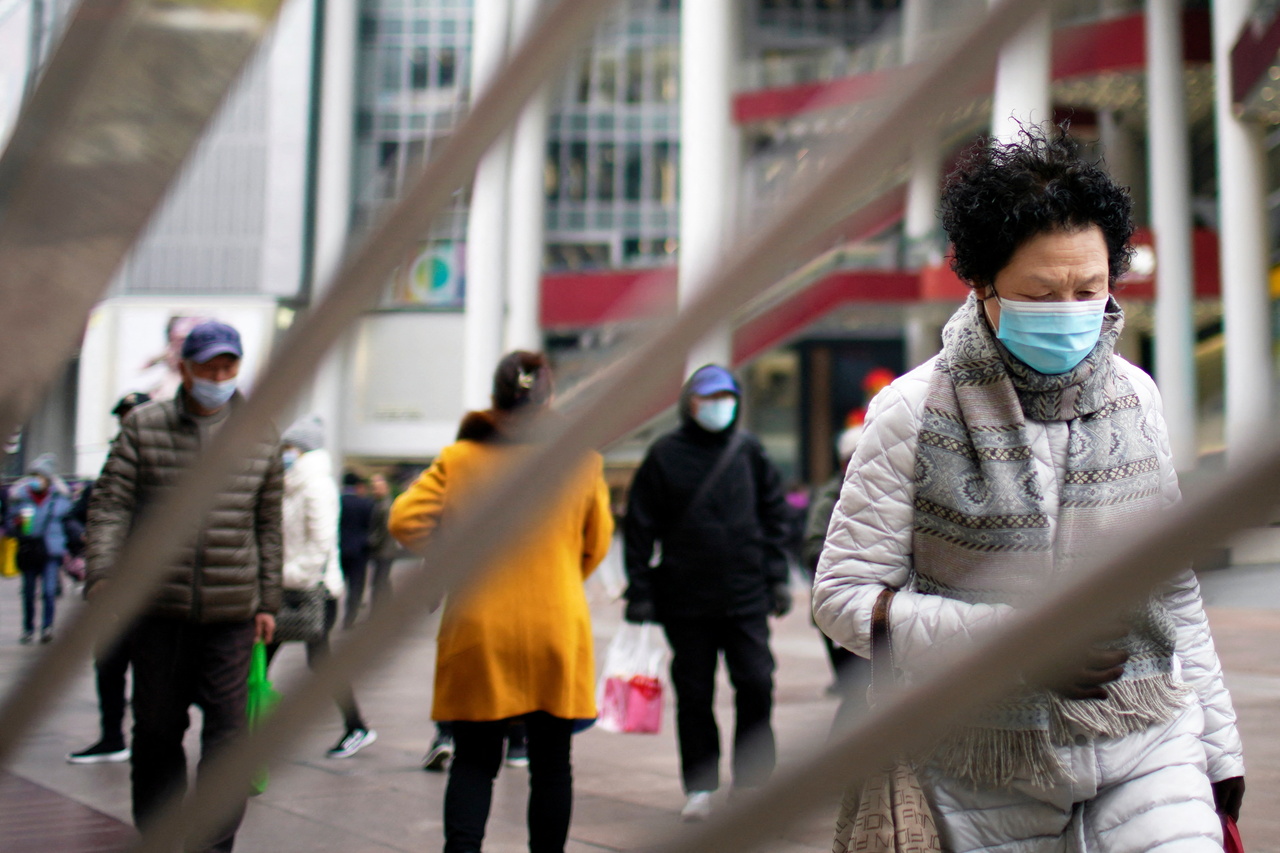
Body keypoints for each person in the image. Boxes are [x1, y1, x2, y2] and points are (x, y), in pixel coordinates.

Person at [813, 128, 1245, 851]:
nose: (1073, 310)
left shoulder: (1137, 398)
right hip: (979, 763)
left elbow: (1171, 591)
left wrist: (1222, 754)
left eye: (1091, 289)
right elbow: (843, 599)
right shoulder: (912, 412)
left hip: (1146, 739)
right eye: (1041, 293)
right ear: (983, 285)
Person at [389, 350, 613, 853]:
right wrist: (557, 573)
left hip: (478, 624)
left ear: (495, 398)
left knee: (473, 760)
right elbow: (596, 542)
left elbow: (405, 519)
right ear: (549, 396)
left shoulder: (461, 458)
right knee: (552, 764)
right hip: (556, 625)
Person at [86, 319, 282, 853]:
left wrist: (268, 600)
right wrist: (103, 573)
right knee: (155, 735)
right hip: (158, 611)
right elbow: (111, 506)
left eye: (229, 366)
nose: (219, 376)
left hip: (231, 615)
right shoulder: (144, 428)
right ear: (184, 368)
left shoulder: (260, 432)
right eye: (208, 366)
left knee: (227, 739)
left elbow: (268, 523)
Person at [622, 364, 794, 822]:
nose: (718, 407)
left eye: (725, 397)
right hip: (686, 599)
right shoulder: (664, 455)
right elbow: (639, 526)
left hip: (746, 596)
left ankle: (753, 782)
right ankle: (700, 786)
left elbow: (775, 516)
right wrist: (639, 589)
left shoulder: (748, 451)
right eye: (708, 398)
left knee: (756, 684)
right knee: (694, 694)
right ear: (689, 403)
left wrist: (777, 577)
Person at [269, 414, 376, 758]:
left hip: (311, 590)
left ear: (302, 450)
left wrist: (291, 575)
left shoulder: (314, 485)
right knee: (261, 658)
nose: (284, 453)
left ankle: (357, 727)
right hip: (290, 585)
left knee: (315, 662)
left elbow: (320, 542)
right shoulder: (292, 482)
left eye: (289, 448)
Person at [66, 391, 151, 764]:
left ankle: (152, 741)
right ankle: (112, 737)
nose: (128, 424)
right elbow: (85, 510)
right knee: (110, 662)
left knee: (158, 671)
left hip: (156, 585)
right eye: (124, 418)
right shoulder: (116, 459)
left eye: (135, 416)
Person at [801, 422, 866, 701]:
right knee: (856, 693)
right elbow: (812, 546)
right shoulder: (832, 498)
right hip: (840, 604)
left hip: (874, 605)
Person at [7, 453, 73, 644]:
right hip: (29, 549)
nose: (37, 480)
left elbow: (68, 520)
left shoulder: (59, 498)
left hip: (51, 550)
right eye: (34, 476)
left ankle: (47, 627)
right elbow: (10, 524)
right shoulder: (21, 498)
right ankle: (28, 628)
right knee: (28, 592)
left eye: (41, 476)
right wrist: (16, 523)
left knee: (49, 591)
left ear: (49, 479)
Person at [338, 471, 375, 629]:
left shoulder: (337, 502)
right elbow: (370, 527)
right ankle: (349, 619)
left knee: (338, 584)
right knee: (356, 586)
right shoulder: (365, 503)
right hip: (359, 551)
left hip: (339, 549)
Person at [365, 472, 400, 614]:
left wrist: (371, 542)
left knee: (379, 582)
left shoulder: (384, 506)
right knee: (383, 582)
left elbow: (383, 530)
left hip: (383, 550)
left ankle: (378, 612)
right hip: (385, 550)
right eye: (373, 487)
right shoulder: (382, 503)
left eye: (377, 487)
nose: (374, 490)